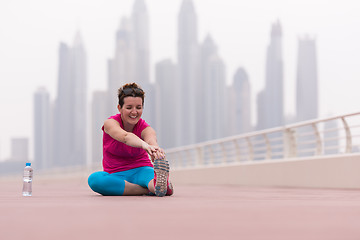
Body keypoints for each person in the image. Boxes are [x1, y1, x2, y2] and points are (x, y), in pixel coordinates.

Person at [88, 83, 173, 197]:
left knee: (152, 179)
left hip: (142, 170)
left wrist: (154, 149)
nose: (134, 112)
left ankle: (159, 186)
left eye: (138, 107)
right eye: (129, 108)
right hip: (116, 174)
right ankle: (148, 190)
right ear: (120, 108)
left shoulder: (145, 127)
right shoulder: (110, 123)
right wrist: (144, 145)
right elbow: (125, 137)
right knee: (95, 180)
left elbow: (151, 138)